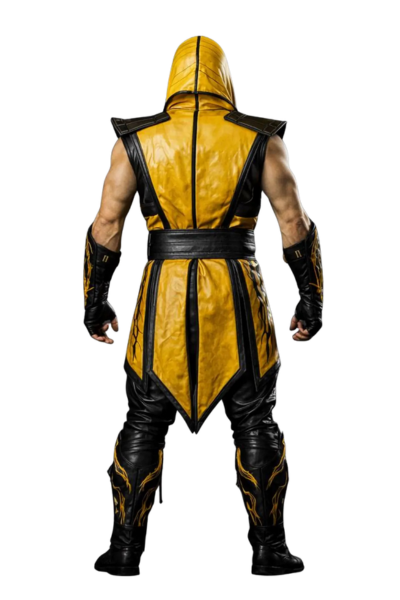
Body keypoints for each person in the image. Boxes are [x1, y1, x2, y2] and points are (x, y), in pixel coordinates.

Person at [83, 35, 323, 577]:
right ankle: (270, 551)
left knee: (144, 421)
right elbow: (293, 221)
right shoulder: (261, 140)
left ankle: (124, 552)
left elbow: (106, 224)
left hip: (162, 300)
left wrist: (95, 300)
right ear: (224, 79)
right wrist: (311, 298)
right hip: (236, 299)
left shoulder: (135, 142)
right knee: (256, 420)